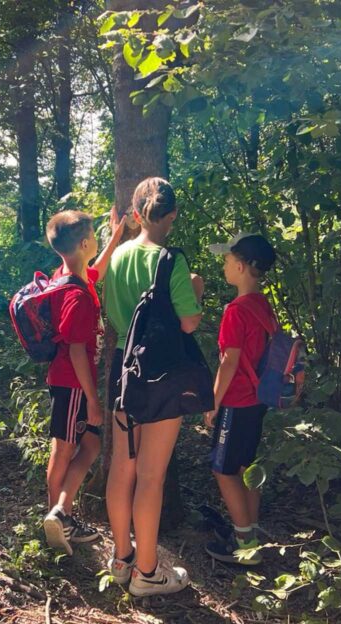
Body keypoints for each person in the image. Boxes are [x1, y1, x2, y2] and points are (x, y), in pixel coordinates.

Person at [103, 177, 204, 596]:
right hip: (160, 378)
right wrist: (197, 290)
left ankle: (121, 559)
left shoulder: (117, 256)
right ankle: (148, 573)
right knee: (150, 475)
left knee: (121, 469)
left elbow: (109, 310)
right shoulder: (170, 260)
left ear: (137, 212)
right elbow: (189, 322)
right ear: (172, 215)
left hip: (123, 374)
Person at [41, 209, 125, 556]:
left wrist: (117, 233)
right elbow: (77, 351)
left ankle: (61, 513)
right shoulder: (76, 295)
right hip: (72, 383)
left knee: (89, 446)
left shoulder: (68, 276)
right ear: (85, 242)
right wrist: (92, 400)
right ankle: (58, 517)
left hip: (71, 382)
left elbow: (97, 269)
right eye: (95, 236)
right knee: (65, 449)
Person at [202, 233, 278, 565]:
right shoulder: (263, 306)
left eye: (227, 260)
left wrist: (213, 401)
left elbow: (228, 360)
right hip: (258, 399)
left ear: (241, 266)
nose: (223, 266)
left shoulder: (236, 310)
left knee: (223, 469)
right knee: (246, 466)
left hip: (237, 401)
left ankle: (245, 545)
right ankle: (250, 532)